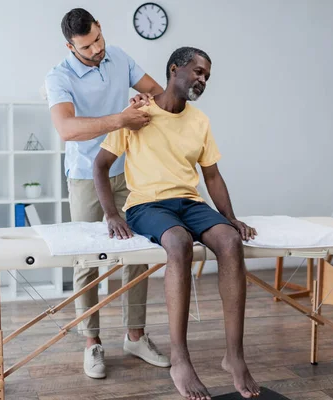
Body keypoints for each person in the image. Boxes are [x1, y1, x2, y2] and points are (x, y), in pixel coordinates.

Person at [93, 47, 261, 400]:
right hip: (146, 204)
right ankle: (180, 358)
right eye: (198, 71)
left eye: (207, 76)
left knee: (230, 241)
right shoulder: (138, 112)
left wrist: (230, 218)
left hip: (189, 202)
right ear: (174, 69)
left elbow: (212, 176)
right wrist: (112, 213)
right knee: (179, 242)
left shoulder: (199, 121)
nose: (203, 79)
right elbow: (101, 164)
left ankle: (235, 356)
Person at [44, 8, 170, 379]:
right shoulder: (59, 76)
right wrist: (120, 119)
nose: (97, 49)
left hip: (127, 171)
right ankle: (92, 342)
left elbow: (159, 93)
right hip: (85, 175)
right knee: (87, 259)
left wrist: (143, 104)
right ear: (71, 46)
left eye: (98, 38)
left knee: (137, 252)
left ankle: (135, 335)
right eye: (87, 46)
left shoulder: (119, 57)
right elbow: (66, 128)